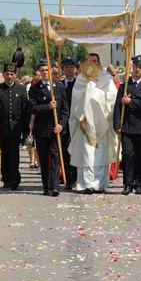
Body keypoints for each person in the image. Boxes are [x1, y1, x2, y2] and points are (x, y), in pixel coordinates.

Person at [68, 53, 117, 194]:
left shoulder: (106, 78)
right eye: (90, 61)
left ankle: (99, 184)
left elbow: (111, 99)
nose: (93, 64)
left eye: (95, 61)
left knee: (99, 156)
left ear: (99, 63)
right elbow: (76, 101)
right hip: (85, 123)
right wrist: (88, 89)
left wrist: (94, 93)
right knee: (86, 155)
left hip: (102, 123)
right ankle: (86, 184)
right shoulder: (81, 79)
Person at [113, 54, 141, 195]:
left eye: (140, 67)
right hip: (128, 126)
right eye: (135, 66)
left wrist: (131, 102)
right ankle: (128, 183)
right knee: (127, 154)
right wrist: (117, 125)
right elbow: (118, 106)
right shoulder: (126, 84)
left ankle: (140, 182)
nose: (137, 69)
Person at [28, 59, 69, 196]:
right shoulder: (35, 88)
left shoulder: (60, 87)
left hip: (56, 129)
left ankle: (55, 186)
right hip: (41, 129)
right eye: (42, 70)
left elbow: (65, 110)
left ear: (52, 70)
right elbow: (33, 108)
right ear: (39, 72)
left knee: (55, 157)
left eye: (47, 70)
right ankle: (46, 186)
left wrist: (61, 125)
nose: (45, 73)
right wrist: (48, 107)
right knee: (44, 159)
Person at [0, 63, 30, 190]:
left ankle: (15, 178)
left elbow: (24, 110)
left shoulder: (21, 89)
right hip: (2, 127)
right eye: (7, 74)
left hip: (16, 126)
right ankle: (6, 178)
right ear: (3, 75)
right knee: (4, 153)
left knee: (14, 153)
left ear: (16, 75)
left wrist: (26, 129)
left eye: (12, 74)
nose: (9, 76)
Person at [60, 57, 79, 190]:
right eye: (67, 67)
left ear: (75, 69)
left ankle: (77, 176)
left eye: (71, 67)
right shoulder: (59, 84)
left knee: (77, 149)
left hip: (77, 121)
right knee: (64, 150)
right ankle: (67, 177)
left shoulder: (80, 84)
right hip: (63, 122)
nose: (69, 70)